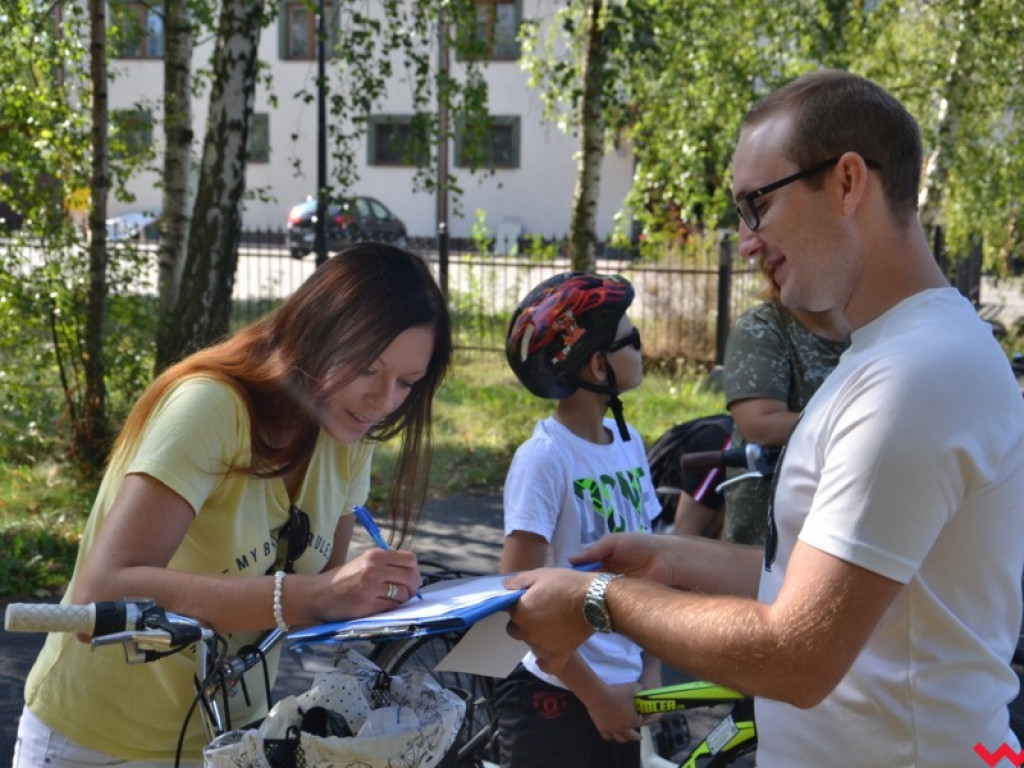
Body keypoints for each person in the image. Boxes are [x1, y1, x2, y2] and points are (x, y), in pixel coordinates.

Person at [503, 70, 1024, 767]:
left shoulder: (915, 377)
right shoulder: (896, 356)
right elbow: (829, 584)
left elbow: (799, 655)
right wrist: (673, 558)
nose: (746, 241)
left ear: (846, 183)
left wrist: (597, 600)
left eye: (756, 205)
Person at [14, 243, 453, 766]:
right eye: (367, 370)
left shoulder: (350, 436)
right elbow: (102, 592)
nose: (383, 402)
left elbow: (320, 599)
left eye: (406, 382)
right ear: (316, 335)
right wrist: (312, 594)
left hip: (227, 738)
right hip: (97, 739)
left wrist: (387, 599)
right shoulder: (212, 406)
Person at [496, 272, 662, 768]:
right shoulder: (545, 459)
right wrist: (595, 697)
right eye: (631, 340)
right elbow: (516, 597)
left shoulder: (628, 443)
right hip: (558, 693)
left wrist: (649, 670)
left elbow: (652, 570)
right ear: (596, 363)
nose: (641, 348)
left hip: (623, 685)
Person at [721, 253, 849, 544]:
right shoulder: (762, 327)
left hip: (838, 518)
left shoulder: (867, 326)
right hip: (768, 536)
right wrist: (862, 426)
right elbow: (761, 425)